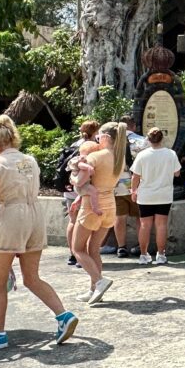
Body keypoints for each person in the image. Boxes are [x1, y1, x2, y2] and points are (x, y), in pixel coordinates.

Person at [0, 115, 77, 349]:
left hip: (11, 217)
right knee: (32, 277)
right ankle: (63, 315)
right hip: (34, 216)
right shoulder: (30, 160)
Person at [72, 121, 126, 304]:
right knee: (94, 249)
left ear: (105, 137)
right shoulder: (119, 158)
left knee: (77, 249)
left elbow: (79, 181)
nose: (96, 138)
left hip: (91, 207)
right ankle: (94, 289)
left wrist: (72, 177)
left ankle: (99, 281)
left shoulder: (96, 157)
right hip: (110, 204)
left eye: (99, 135)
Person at [130, 127, 182, 265]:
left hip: (145, 195)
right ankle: (161, 255)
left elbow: (135, 176)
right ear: (162, 138)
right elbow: (177, 173)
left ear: (148, 139)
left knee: (145, 225)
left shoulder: (142, 155)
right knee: (161, 225)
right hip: (164, 195)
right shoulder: (171, 154)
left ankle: (143, 255)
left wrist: (133, 191)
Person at [106, 115, 147, 258]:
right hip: (137, 186)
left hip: (117, 186)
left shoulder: (113, 143)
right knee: (140, 217)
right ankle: (141, 246)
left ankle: (121, 248)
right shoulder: (142, 142)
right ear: (133, 126)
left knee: (119, 217)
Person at [63, 120, 100, 266]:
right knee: (85, 225)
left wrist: (72, 180)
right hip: (86, 190)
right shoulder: (94, 147)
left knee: (73, 222)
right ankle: (82, 255)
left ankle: (73, 254)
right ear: (96, 131)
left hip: (70, 191)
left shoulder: (74, 144)